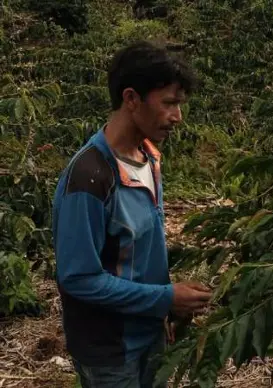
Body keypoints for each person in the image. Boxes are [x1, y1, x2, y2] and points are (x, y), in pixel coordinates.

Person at [51, 40, 212, 388]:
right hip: (110, 350)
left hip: (149, 332)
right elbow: (78, 278)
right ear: (131, 99)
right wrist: (166, 297)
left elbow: (143, 249)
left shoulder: (149, 157)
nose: (177, 117)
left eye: (180, 104)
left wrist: (163, 309)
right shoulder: (90, 177)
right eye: (169, 103)